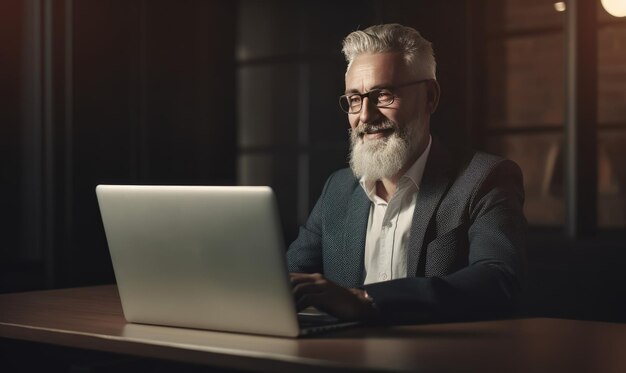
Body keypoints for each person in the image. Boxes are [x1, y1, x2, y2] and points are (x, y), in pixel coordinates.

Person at [287, 24, 526, 324]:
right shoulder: (337, 188)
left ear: (430, 97)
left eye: (383, 95)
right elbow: (288, 277)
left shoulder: (486, 178)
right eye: (354, 99)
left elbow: (498, 281)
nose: (364, 116)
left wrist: (365, 300)